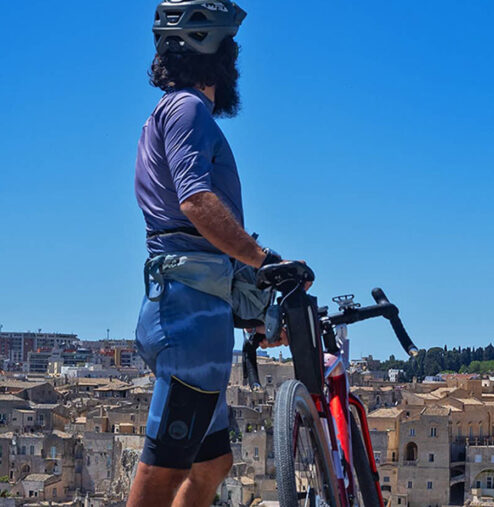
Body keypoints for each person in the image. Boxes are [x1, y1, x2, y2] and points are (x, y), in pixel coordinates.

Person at [129, 2, 295, 505]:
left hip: (195, 307)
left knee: (213, 462)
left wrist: (251, 303)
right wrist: (264, 261)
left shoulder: (170, 112)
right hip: (190, 320)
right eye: (232, 50)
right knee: (162, 470)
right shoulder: (187, 108)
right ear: (217, 53)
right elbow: (197, 202)